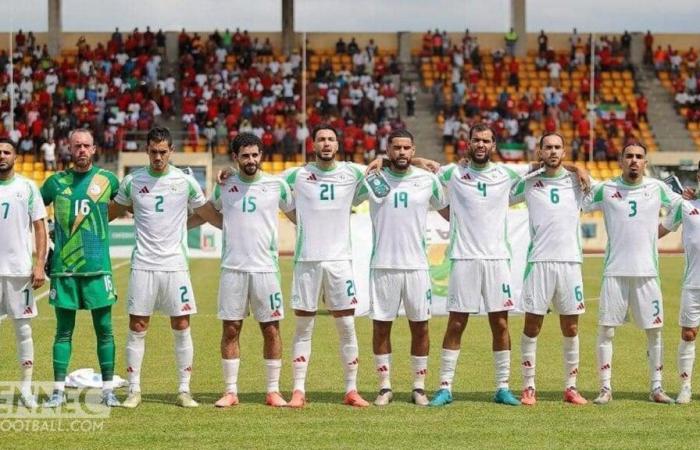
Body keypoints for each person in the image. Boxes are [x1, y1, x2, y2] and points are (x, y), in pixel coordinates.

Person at [111, 127, 219, 408]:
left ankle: (184, 390)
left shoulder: (185, 182)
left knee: (181, 324)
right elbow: (110, 212)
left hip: (175, 266)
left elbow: (207, 213)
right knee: (138, 325)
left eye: (163, 151)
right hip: (143, 265)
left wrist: (236, 222)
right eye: (153, 151)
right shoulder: (133, 181)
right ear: (146, 151)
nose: (158, 156)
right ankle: (133, 390)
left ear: (171, 151)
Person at [429, 123, 531, 407]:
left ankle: (502, 387)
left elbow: (542, 166)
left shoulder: (507, 173)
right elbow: (423, 172)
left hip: (497, 259)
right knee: (456, 322)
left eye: (486, 140)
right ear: (469, 143)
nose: (481, 144)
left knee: (499, 323)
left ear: (494, 145)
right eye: (476, 140)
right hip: (463, 258)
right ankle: (445, 387)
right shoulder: (453, 172)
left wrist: (578, 169)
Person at [190, 133, 294, 407]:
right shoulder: (224, 184)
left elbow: (298, 214)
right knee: (231, 329)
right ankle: (231, 391)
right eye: (245, 155)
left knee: (271, 329)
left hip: (266, 271)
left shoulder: (277, 186)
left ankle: (273, 390)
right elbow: (210, 212)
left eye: (255, 155)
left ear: (262, 156)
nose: (251, 160)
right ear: (235, 158)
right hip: (233, 269)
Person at [281, 125, 371, 408]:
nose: (326, 143)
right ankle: (298, 390)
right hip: (307, 260)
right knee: (303, 327)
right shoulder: (297, 174)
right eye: (321, 139)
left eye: (331, 139)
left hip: (340, 261)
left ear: (338, 144)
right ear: (313, 145)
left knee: (346, 325)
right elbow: (263, 184)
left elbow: (383, 168)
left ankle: (351, 389)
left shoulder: (353, 172)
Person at [584, 142, 681, 405]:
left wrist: (661, 231)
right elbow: (579, 202)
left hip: (647, 273)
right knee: (607, 330)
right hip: (614, 272)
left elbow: (681, 207)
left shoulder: (657, 188)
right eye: (629, 156)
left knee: (655, 332)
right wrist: (578, 173)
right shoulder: (606, 189)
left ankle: (656, 388)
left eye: (639, 157)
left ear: (645, 163)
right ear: (621, 160)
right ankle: (605, 388)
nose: (634, 161)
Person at [357, 129, 447, 406]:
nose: (402, 152)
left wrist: (422, 162)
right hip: (383, 265)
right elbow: (348, 187)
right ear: (388, 149)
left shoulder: (427, 180)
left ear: (413, 149)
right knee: (381, 327)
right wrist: (375, 163)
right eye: (396, 148)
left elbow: (445, 208)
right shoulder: (373, 178)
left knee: (420, 327)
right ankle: (384, 386)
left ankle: (419, 386)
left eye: (407, 148)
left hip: (417, 266)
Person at [40, 129, 120, 408]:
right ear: (69, 149)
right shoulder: (54, 183)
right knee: (63, 331)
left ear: (94, 149)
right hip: (64, 271)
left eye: (86, 145)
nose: (82, 150)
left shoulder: (108, 180)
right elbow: (33, 214)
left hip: (98, 270)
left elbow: (131, 202)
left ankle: (109, 391)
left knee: (105, 329)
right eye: (77, 146)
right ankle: (58, 392)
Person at [510, 133, 588, 405]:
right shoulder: (529, 184)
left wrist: (579, 168)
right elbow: (502, 194)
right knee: (532, 324)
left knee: (571, 326)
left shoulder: (578, 183)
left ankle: (571, 387)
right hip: (539, 263)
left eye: (557, 147)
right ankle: (528, 386)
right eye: (548, 147)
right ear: (540, 151)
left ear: (564, 152)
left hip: (570, 264)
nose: (553, 151)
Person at [0, 138, 47, 408]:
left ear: (15, 157)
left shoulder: (27, 187)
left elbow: (40, 227)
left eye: (7, 152)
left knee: (24, 331)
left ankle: (27, 389)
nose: (2, 155)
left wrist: (39, 263)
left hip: (19, 272)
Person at [659, 161, 700, 403]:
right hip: (693, 283)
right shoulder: (685, 205)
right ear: (698, 175)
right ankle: (685, 386)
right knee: (688, 334)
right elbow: (660, 230)